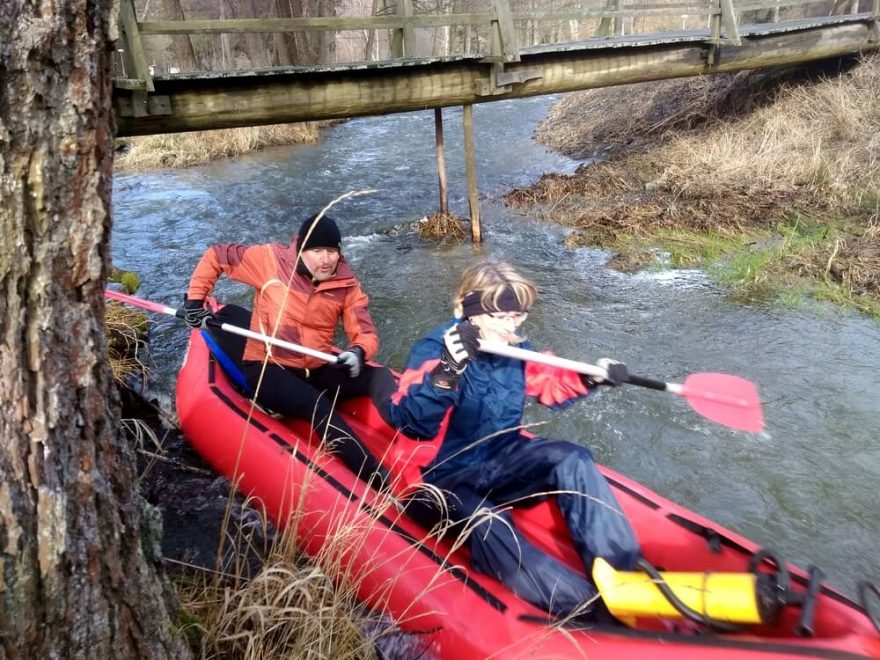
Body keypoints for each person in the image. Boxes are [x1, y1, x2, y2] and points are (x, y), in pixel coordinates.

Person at [386, 261, 641, 620]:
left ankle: (624, 574)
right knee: (487, 520)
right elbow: (409, 420)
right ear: (470, 311)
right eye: (502, 317)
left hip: (497, 458)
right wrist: (446, 374)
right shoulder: (435, 348)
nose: (512, 326)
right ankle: (586, 611)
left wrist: (591, 378)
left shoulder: (516, 349)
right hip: (435, 478)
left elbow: (551, 383)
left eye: (517, 315)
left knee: (571, 457)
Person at [183, 213, 395, 486]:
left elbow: (364, 330)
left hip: (315, 368)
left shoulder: (346, 283)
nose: (326, 259)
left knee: (378, 376)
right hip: (267, 367)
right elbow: (216, 256)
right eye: (317, 251)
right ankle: (379, 481)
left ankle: (405, 425)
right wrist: (194, 301)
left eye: (332, 251)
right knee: (319, 406)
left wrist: (359, 351)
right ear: (302, 249)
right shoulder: (270, 261)